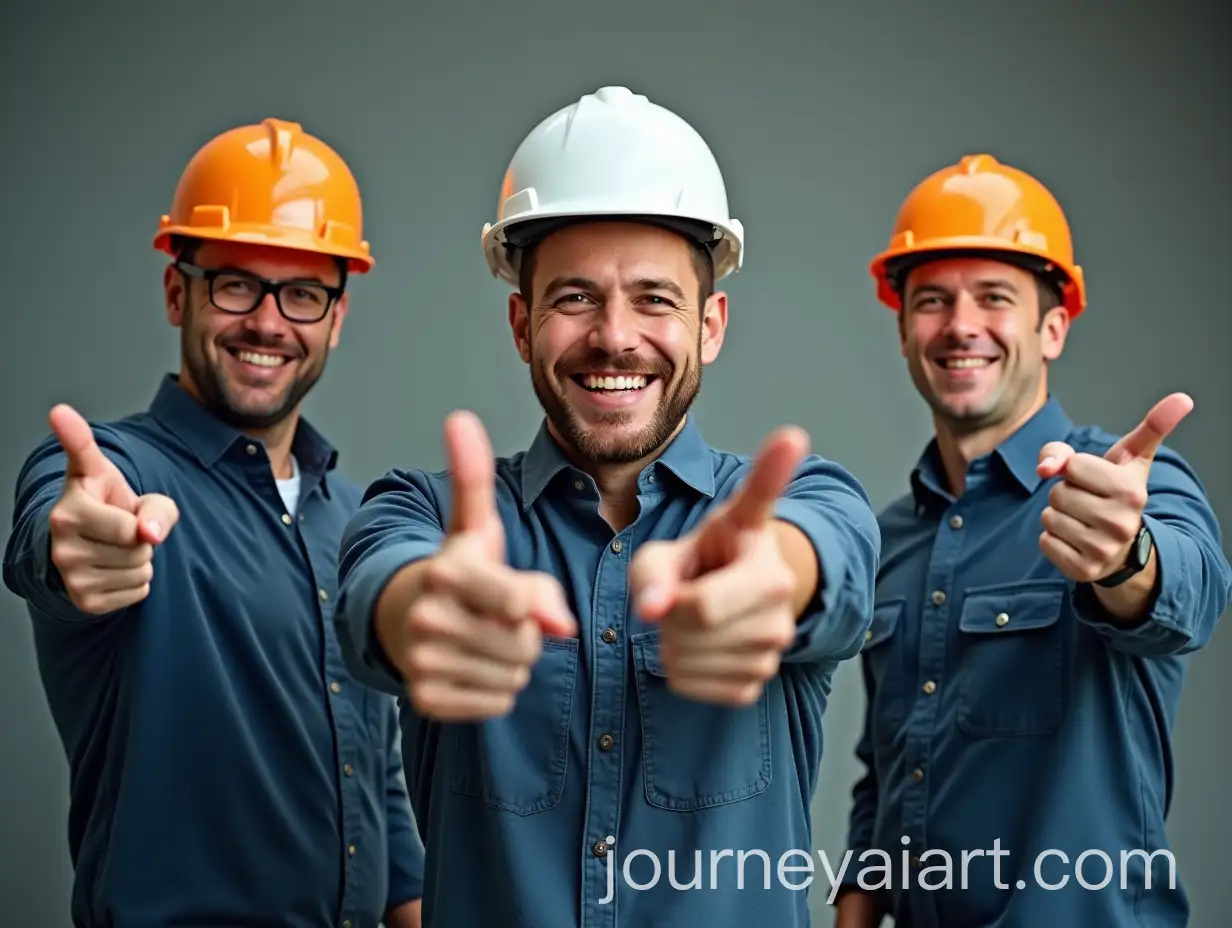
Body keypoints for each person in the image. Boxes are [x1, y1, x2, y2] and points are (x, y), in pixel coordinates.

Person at [331, 85, 880, 927]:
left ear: (711, 326)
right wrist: (425, 612)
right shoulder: (424, 514)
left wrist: (774, 580)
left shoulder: (807, 500)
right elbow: (381, 598)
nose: (615, 335)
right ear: (522, 325)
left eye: (656, 298)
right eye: (574, 297)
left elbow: (824, 556)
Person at [3, 118, 424, 928]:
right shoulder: (118, 473)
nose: (267, 322)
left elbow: (375, 778)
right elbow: (55, 537)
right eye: (236, 283)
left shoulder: (353, 519)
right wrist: (78, 548)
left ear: (336, 317)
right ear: (178, 292)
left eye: (303, 293)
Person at [833, 153, 1231, 928]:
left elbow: (1192, 595)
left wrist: (1125, 558)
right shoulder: (889, 539)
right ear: (905, 329)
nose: (960, 326)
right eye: (932, 301)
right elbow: (887, 770)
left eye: (995, 298)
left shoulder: (1120, 488)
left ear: (1052, 327)